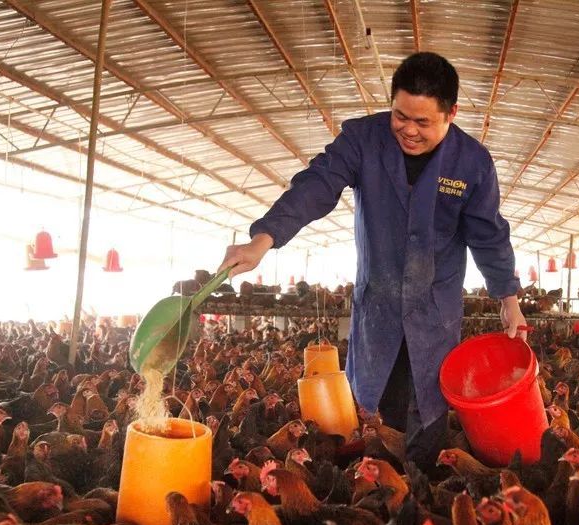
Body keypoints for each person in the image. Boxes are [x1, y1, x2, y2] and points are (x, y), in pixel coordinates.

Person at [218, 52, 526, 470]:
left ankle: (418, 493)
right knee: (370, 418)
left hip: (434, 314)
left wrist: (508, 297)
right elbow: (317, 184)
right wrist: (264, 239)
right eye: (401, 116)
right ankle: (371, 488)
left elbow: (488, 233)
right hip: (378, 307)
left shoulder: (472, 163)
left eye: (423, 122)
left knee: (428, 415)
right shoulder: (364, 139)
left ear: (451, 113)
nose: (409, 131)